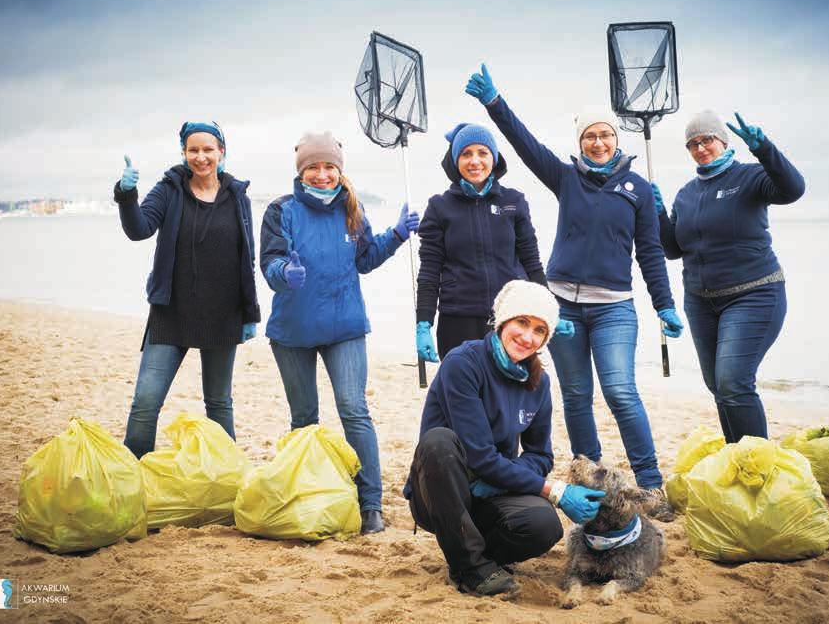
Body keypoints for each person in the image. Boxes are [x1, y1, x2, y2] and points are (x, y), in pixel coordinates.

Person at [464, 64, 682, 517]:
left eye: (604, 135)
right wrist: (494, 103)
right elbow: (525, 146)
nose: (598, 143)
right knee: (576, 395)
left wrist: (664, 305)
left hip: (614, 309)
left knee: (621, 391)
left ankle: (652, 485)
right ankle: (591, 475)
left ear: (616, 139)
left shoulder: (638, 190)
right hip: (561, 308)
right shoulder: (566, 178)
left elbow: (651, 253)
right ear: (580, 141)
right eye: (589, 137)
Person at [260, 131, 419, 535]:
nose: (322, 174)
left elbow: (365, 259)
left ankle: (370, 506)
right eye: (313, 166)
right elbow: (271, 263)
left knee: (354, 410)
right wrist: (285, 274)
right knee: (305, 419)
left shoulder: (352, 207)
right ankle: (309, 492)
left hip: (345, 327)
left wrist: (398, 235)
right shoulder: (281, 211)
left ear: (339, 169)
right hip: (292, 331)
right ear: (301, 170)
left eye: (329, 166)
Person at [405, 280, 606, 597]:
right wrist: (555, 490)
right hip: (439, 491)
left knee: (545, 525)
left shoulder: (539, 384)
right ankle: (469, 568)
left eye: (539, 330)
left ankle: (479, 554)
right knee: (439, 442)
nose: (528, 337)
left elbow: (541, 456)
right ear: (503, 322)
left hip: (491, 490)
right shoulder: (463, 363)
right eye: (522, 322)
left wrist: (502, 480)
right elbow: (480, 456)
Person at [652, 111, 804, 443]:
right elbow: (674, 249)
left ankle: (760, 467)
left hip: (754, 294)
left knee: (734, 382)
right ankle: (738, 458)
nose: (700, 148)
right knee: (719, 387)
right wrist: (659, 214)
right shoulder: (687, 194)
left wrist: (764, 149)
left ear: (723, 141)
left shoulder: (751, 178)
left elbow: (793, 189)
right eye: (692, 144)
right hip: (701, 302)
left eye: (706, 140)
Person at [114, 121, 260, 459]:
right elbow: (139, 229)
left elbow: (246, 259)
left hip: (223, 315)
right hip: (171, 313)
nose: (200, 156)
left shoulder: (238, 197)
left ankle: (228, 478)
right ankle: (130, 478)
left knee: (219, 403)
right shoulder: (169, 190)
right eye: (193, 149)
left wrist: (249, 313)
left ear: (221, 152)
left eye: (208, 149)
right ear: (184, 152)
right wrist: (126, 194)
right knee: (145, 402)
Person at [415, 122, 554, 363]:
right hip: (457, 321)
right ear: (455, 160)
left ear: (495, 158)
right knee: (463, 395)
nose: (475, 161)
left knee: (509, 396)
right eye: (466, 154)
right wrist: (423, 323)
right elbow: (429, 272)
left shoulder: (514, 201)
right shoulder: (439, 207)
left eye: (483, 152)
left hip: (512, 319)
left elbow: (532, 263)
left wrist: (551, 311)